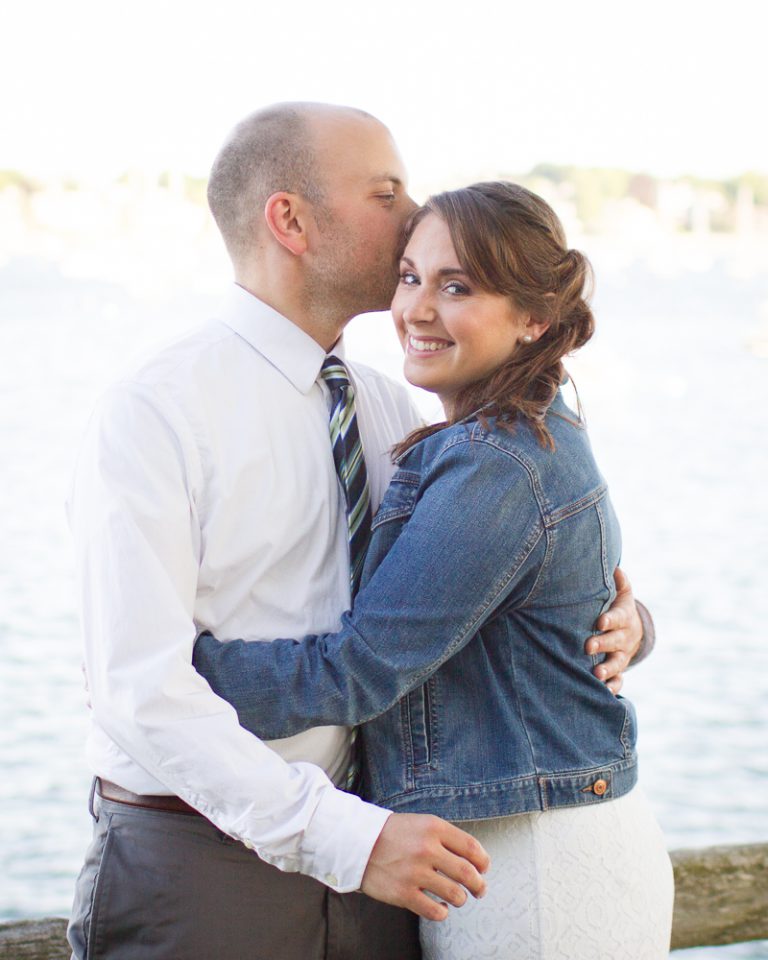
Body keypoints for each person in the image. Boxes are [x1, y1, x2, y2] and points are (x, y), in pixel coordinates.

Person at [66, 103, 651, 960]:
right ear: (290, 221)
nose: (412, 210)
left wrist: (619, 623)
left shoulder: (387, 408)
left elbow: (484, 578)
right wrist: (343, 835)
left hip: (393, 859)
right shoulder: (158, 410)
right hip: (204, 865)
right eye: (386, 192)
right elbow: (139, 689)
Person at [193, 181, 674, 958]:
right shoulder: (512, 435)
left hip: (536, 865)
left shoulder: (496, 461)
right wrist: (637, 625)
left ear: (534, 318)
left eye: (457, 287)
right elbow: (562, 600)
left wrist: (169, 675)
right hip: (507, 844)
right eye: (410, 277)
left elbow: (358, 670)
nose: (416, 308)